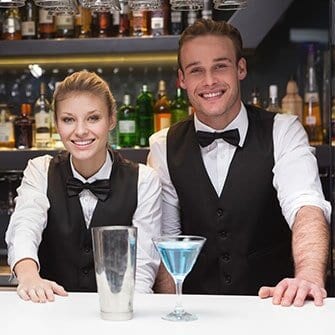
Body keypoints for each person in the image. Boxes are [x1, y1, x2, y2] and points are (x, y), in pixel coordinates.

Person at [148, 19, 331, 307]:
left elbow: (305, 204)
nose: (209, 81)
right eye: (196, 70)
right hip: (199, 313)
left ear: (241, 69)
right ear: (182, 80)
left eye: (220, 66)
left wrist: (308, 275)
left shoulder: (283, 130)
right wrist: (172, 311)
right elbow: (166, 240)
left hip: (275, 308)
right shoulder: (162, 145)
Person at [6, 71, 162, 303]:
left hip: (118, 312)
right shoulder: (40, 170)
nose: (80, 131)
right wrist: (28, 276)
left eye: (93, 118)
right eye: (68, 119)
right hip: (51, 309)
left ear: (111, 120)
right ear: (56, 123)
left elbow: (142, 268)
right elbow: (24, 226)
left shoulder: (144, 180)